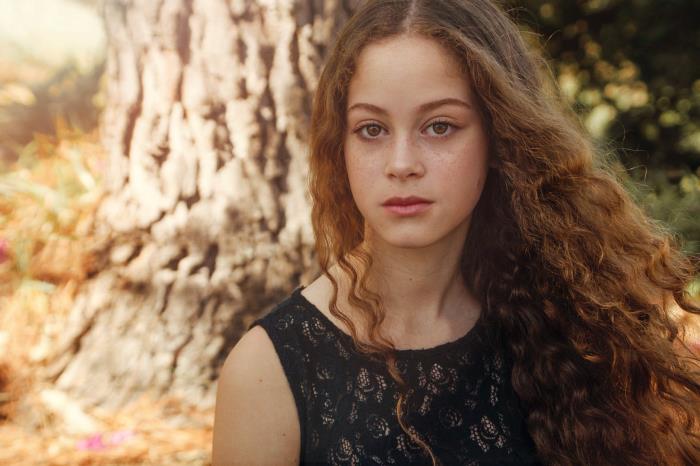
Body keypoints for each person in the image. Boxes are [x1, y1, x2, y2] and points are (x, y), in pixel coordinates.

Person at [212, 0, 700, 464]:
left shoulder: (567, 323)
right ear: (339, 146)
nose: (402, 164)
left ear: (500, 137)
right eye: (372, 129)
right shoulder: (267, 372)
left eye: (439, 126)